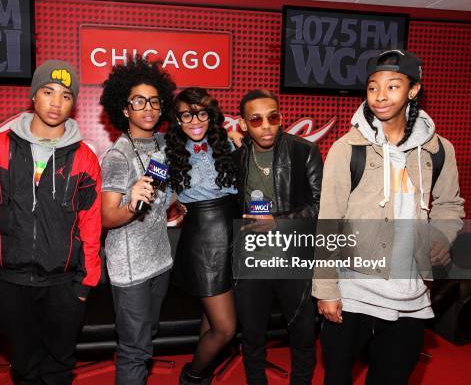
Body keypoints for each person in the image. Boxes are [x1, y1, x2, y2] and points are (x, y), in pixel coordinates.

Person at [313, 49, 465, 384]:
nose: (380, 95)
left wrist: (440, 235)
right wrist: (325, 289)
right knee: (336, 377)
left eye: (393, 86)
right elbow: (329, 222)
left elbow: (450, 204)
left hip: (409, 295)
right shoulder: (346, 149)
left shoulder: (439, 151)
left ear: (413, 90)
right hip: (353, 292)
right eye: (372, 87)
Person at [0, 59, 101, 385]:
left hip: (63, 285)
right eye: (48, 91)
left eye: (66, 95)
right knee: (24, 365)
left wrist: (85, 285)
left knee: (58, 368)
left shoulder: (84, 157)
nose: (56, 102)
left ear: (73, 103)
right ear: (34, 95)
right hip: (10, 282)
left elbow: (91, 222)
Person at [232, 89, 322, 384]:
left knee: (303, 336)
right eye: (256, 120)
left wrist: (279, 222)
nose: (267, 125)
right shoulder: (237, 158)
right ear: (244, 124)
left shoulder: (303, 151)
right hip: (251, 261)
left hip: (293, 258)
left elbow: (322, 207)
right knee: (252, 338)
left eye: (273, 117)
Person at [99, 55, 176, 385]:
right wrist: (131, 205)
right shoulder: (119, 155)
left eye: (154, 101)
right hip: (130, 269)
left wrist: (176, 202)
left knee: (148, 335)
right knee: (135, 350)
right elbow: (106, 217)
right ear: (125, 109)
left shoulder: (161, 144)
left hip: (160, 260)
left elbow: (165, 193)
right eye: (139, 101)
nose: (148, 108)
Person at [165, 87, 239, 384]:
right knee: (225, 328)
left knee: (212, 321)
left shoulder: (228, 144)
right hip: (202, 241)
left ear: (211, 115)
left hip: (234, 233)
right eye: (186, 114)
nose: (195, 120)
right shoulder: (166, 152)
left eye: (201, 113)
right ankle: (192, 377)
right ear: (177, 119)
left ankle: (202, 375)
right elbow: (153, 195)